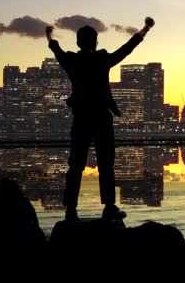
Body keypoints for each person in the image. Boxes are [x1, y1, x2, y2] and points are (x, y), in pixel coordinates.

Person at [46, 17, 155, 221]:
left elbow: (56, 50)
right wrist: (145, 29)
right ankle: (109, 207)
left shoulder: (72, 61)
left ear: (78, 43)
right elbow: (126, 49)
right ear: (95, 42)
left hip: (81, 118)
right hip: (101, 118)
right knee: (106, 163)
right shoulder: (102, 59)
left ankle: (70, 208)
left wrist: (49, 36)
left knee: (76, 164)